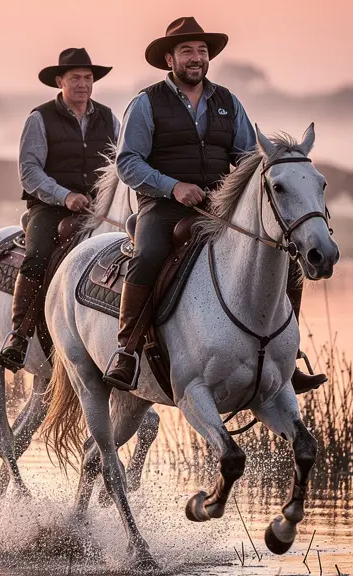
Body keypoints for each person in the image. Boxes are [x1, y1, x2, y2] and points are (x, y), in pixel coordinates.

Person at [103, 16, 328, 394]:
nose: (196, 58)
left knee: (286, 261)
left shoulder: (227, 101)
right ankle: (126, 350)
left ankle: (286, 356)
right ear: (169, 59)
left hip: (219, 207)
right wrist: (173, 188)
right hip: (164, 206)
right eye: (187, 51)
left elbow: (245, 156)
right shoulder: (146, 103)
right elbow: (128, 162)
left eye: (202, 52)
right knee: (149, 254)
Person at [0, 47, 121, 372]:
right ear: (59, 81)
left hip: (99, 207)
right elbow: (30, 170)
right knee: (38, 254)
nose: (83, 84)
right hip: (50, 207)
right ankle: (19, 335)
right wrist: (65, 196)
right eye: (75, 78)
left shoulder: (109, 118)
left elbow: (123, 161)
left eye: (88, 78)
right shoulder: (40, 118)